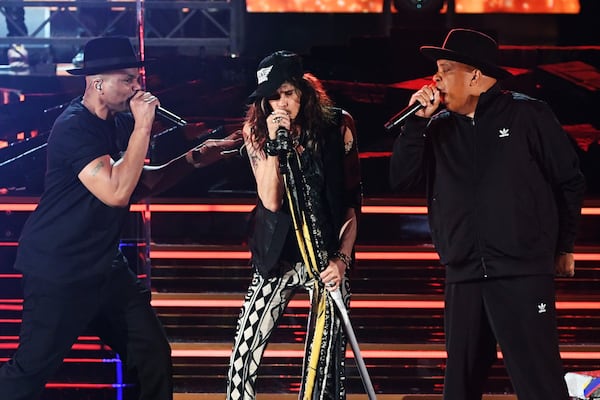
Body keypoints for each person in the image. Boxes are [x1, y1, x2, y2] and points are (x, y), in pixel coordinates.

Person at [0, 36, 241, 400]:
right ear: (98, 83)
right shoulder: (74, 126)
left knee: (152, 356)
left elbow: (137, 182)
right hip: (62, 268)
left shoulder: (114, 124)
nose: (138, 88)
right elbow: (115, 192)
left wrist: (196, 158)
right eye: (128, 79)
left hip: (104, 268)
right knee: (30, 370)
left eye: (137, 79)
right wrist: (143, 126)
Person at [389, 28, 586, 400]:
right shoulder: (436, 127)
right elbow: (401, 180)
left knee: (539, 381)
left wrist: (564, 247)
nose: (435, 80)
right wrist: (414, 125)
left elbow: (569, 182)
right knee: (460, 385)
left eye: (445, 70)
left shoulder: (529, 114)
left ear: (476, 77)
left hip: (521, 271)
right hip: (463, 272)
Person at [226, 50, 362, 400]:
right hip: (278, 258)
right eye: (272, 98)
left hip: (326, 257)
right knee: (244, 354)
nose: (281, 104)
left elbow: (351, 202)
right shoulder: (255, 131)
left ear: (303, 90)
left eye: (287, 93)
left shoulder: (339, 125)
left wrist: (342, 260)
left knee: (326, 368)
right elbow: (270, 201)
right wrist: (275, 146)